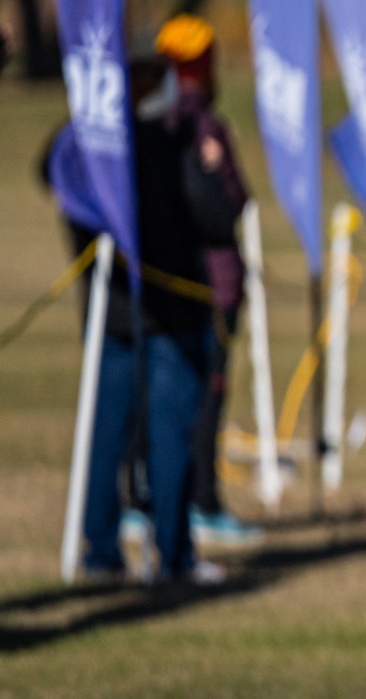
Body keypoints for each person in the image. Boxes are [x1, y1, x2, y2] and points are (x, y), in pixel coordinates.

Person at [52, 56, 241, 584]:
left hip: (112, 312)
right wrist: (207, 168)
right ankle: (173, 553)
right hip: (169, 314)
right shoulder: (169, 143)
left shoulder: (93, 148)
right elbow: (218, 217)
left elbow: (53, 166)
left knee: (107, 434)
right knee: (167, 435)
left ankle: (101, 549)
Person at [154, 15, 262, 548]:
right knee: (202, 400)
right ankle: (200, 505)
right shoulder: (200, 128)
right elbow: (228, 206)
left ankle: (147, 501)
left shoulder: (151, 122)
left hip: (166, 283)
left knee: (161, 399)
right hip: (210, 285)